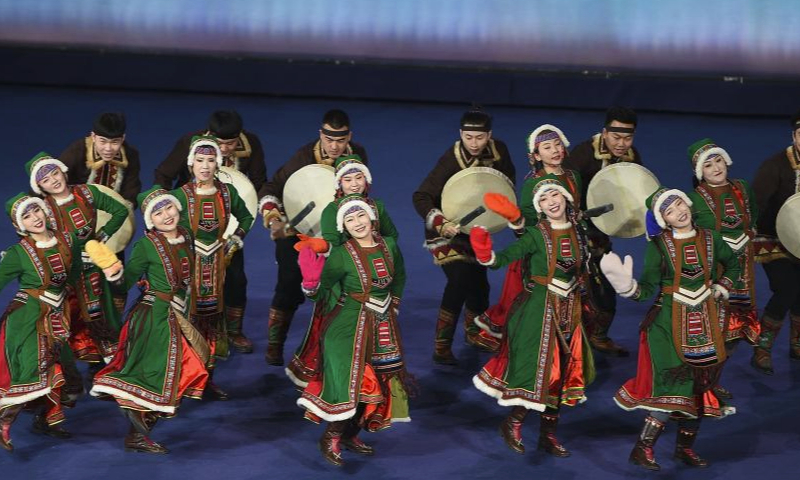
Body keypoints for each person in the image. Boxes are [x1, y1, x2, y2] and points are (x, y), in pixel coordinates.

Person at [600, 187, 739, 471]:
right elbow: (647, 289)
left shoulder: (711, 238)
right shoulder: (659, 246)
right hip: (666, 326)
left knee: (699, 388)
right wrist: (628, 288)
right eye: (670, 211)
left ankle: (683, 449)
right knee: (674, 386)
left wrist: (722, 286)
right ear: (664, 220)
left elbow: (734, 265)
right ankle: (643, 448)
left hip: (705, 324)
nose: (679, 212)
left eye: (679, 204)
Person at [470, 175, 594, 458]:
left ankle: (548, 435)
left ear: (566, 198)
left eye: (555, 195)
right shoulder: (536, 234)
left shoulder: (579, 231)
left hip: (570, 311)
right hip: (539, 311)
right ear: (539, 207)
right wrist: (486, 254)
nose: (551, 202)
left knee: (562, 374)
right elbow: (505, 258)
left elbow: (582, 269)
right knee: (538, 370)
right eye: (544, 199)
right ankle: (513, 422)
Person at [89, 186, 209, 454]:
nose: (166, 215)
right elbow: (125, 284)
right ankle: (136, 425)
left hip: (178, 313)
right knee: (168, 371)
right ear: (150, 221)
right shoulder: (146, 245)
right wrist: (114, 274)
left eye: (168, 207)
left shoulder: (186, 234)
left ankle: (138, 429)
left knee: (181, 369)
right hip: (155, 316)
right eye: (158, 213)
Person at [296, 194, 410, 467]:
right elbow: (323, 293)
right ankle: (331, 437)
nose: (357, 223)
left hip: (383, 325)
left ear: (371, 218)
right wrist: (311, 284)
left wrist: (393, 305)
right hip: (346, 327)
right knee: (356, 382)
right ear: (343, 227)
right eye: (350, 219)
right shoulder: (341, 255)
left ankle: (350, 434)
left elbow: (399, 276)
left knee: (381, 380)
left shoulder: (390, 245)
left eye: (361, 216)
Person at [259, 109, 368, 366]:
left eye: (340, 140)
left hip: (334, 233)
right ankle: (275, 344)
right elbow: (272, 188)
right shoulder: (304, 156)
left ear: (349, 137)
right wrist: (273, 218)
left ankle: (331, 350)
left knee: (341, 289)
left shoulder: (357, 155)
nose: (334, 146)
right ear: (320, 134)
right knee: (289, 281)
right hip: (295, 228)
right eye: (329, 139)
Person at [155, 110, 266, 354]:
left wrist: (240, 228)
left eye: (231, 144)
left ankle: (232, 331)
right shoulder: (190, 143)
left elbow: (258, 182)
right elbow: (163, 175)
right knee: (185, 280)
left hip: (223, 225)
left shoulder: (251, 145)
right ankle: (182, 329)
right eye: (220, 144)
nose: (225, 150)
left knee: (236, 279)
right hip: (187, 221)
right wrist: (164, 212)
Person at [412, 107, 516, 365]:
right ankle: (442, 346)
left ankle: (474, 333)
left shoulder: (500, 151)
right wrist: (442, 223)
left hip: (477, 231)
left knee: (480, 285)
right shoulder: (451, 159)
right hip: (447, 230)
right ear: (460, 134)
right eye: (468, 137)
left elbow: (507, 185)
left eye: (479, 138)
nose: (474, 143)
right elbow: (421, 196)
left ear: (489, 135)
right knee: (459, 280)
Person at [27, 152, 129, 405]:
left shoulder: (87, 193)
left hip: (92, 273)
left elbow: (119, 210)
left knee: (100, 321)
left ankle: (113, 378)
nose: (54, 181)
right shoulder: (43, 210)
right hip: (64, 277)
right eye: (46, 180)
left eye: (55, 173)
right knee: (60, 327)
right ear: (40, 187)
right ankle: (63, 383)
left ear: (63, 171)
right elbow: (35, 237)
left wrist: (102, 237)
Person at [287, 155, 397, 384]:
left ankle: (371, 383)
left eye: (359, 178)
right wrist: (326, 246)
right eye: (348, 180)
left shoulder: (377, 207)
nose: (354, 184)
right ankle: (337, 382)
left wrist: (378, 250)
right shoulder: (332, 210)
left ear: (367, 180)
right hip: (344, 281)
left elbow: (392, 236)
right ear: (339, 183)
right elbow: (333, 245)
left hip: (374, 279)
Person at [475, 124, 581, 338]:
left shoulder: (574, 177)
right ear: (536, 155)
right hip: (543, 250)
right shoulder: (532, 184)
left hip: (570, 243)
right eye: (547, 147)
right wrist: (519, 221)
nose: (555, 150)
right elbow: (526, 226)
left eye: (558, 144)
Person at [172, 136, 254, 400]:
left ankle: (205, 380)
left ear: (218, 163)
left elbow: (247, 216)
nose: (205, 166)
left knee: (211, 325)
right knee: (185, 325)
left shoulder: (227, 194)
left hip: (217, 267)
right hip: (188, 270)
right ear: (191, 163)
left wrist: (236, 237)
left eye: (210, 160)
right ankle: (179, 382)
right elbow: (159, 227)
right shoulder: (179, 196)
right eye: (200, 160)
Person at [0, 193, 80, 452]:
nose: (35, 218)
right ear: (19, 225)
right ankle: (4, 422)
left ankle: (45, 419)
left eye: (36, 210)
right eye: (26, 216)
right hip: (28, 318)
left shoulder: (68, 240)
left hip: (57, 317)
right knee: (35, 368)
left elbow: (75, 271)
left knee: (69, 377)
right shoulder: (18, 253)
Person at [563, 106, 643, 356]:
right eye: (616, 137)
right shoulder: (583, 154)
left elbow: (638, 192)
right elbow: (561, 188)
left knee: (605, 289)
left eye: (627, 138)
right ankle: (564, 340)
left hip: (600, 234)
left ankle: (597, 335)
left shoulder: (632, 158)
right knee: (570, 289)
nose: (621, 144)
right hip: (570, 231)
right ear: (604, 132)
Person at [687, 139, 759, 398]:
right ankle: (697, 387)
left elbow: (753, 217)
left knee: (733, 335)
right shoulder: (694, 199)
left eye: (718, 161)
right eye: (708, 165)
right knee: (712, 334)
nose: (716, 168)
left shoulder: (742, 188)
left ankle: (710, 383)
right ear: (700, 172)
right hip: (714, 277)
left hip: (743, 277)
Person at [59, 112, 142, 314]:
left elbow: (132, 191)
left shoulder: (130, 156)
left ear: (123, 139)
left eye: (115, 142)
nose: (108, 148)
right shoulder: (77, 152)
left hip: (111, 228)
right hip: (75, 226)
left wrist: (122, 215)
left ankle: (111, 321)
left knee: (115, 278)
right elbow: (54, 183)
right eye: (103, 141)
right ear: (93, 136)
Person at [750, 109, 800, 374]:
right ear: (794, 136)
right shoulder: (775, 166)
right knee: (787, 288)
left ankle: (797, 344)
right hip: (772, 238)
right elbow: (755, 204)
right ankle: (762, 347)